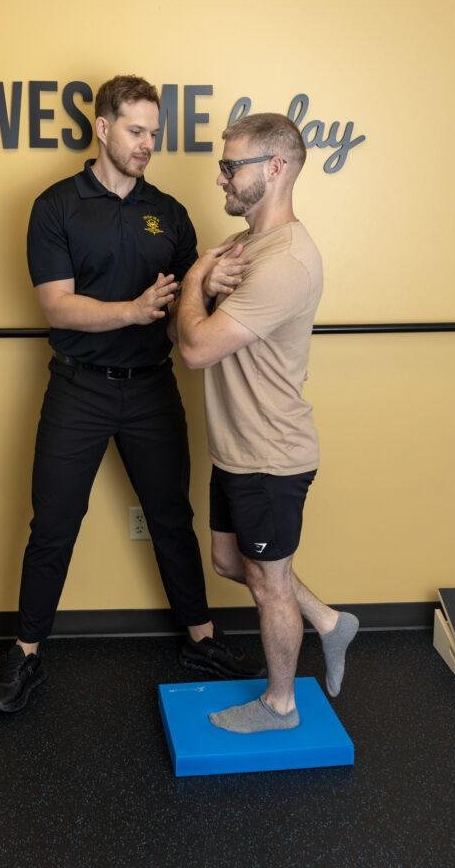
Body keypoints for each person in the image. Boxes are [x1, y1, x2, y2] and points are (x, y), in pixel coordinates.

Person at [0, 75, 263, 713]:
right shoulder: (56, 206)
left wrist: (207, 280)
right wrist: (134, 310)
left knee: (173, 520)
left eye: (154, 134)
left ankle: (201, 639)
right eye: (136, 131)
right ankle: (25, 655)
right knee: (53, 525)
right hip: (78, 389)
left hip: (151, 391)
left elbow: (185, 313)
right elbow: (57, 307)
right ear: (103, 126)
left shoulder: (167, 213)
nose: (147, 145)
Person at [176, 112, 358, 733]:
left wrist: (196, 278)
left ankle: (281, 704)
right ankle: (331, 622)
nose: (221, 178)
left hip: (270, 456)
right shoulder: (249, 244)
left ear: (275, 168)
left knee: (269, 586)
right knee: (231, 562)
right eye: (222, 166)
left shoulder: (285, 261)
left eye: (232, 167)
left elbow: (196, 349)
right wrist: (208, 272)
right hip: (236, 450)